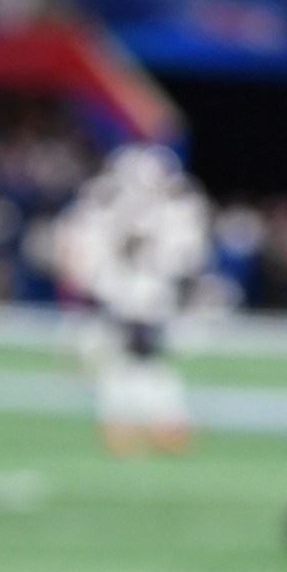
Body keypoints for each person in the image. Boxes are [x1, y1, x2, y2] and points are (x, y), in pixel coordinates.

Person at [55, 144, 210, 457]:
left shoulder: (150, 206)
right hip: (127, 289)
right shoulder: (115, 204)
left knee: (134, 356)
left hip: (138, 290)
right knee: (129, 356)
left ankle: (149, 422)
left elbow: (183, 254)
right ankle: (146, 423)